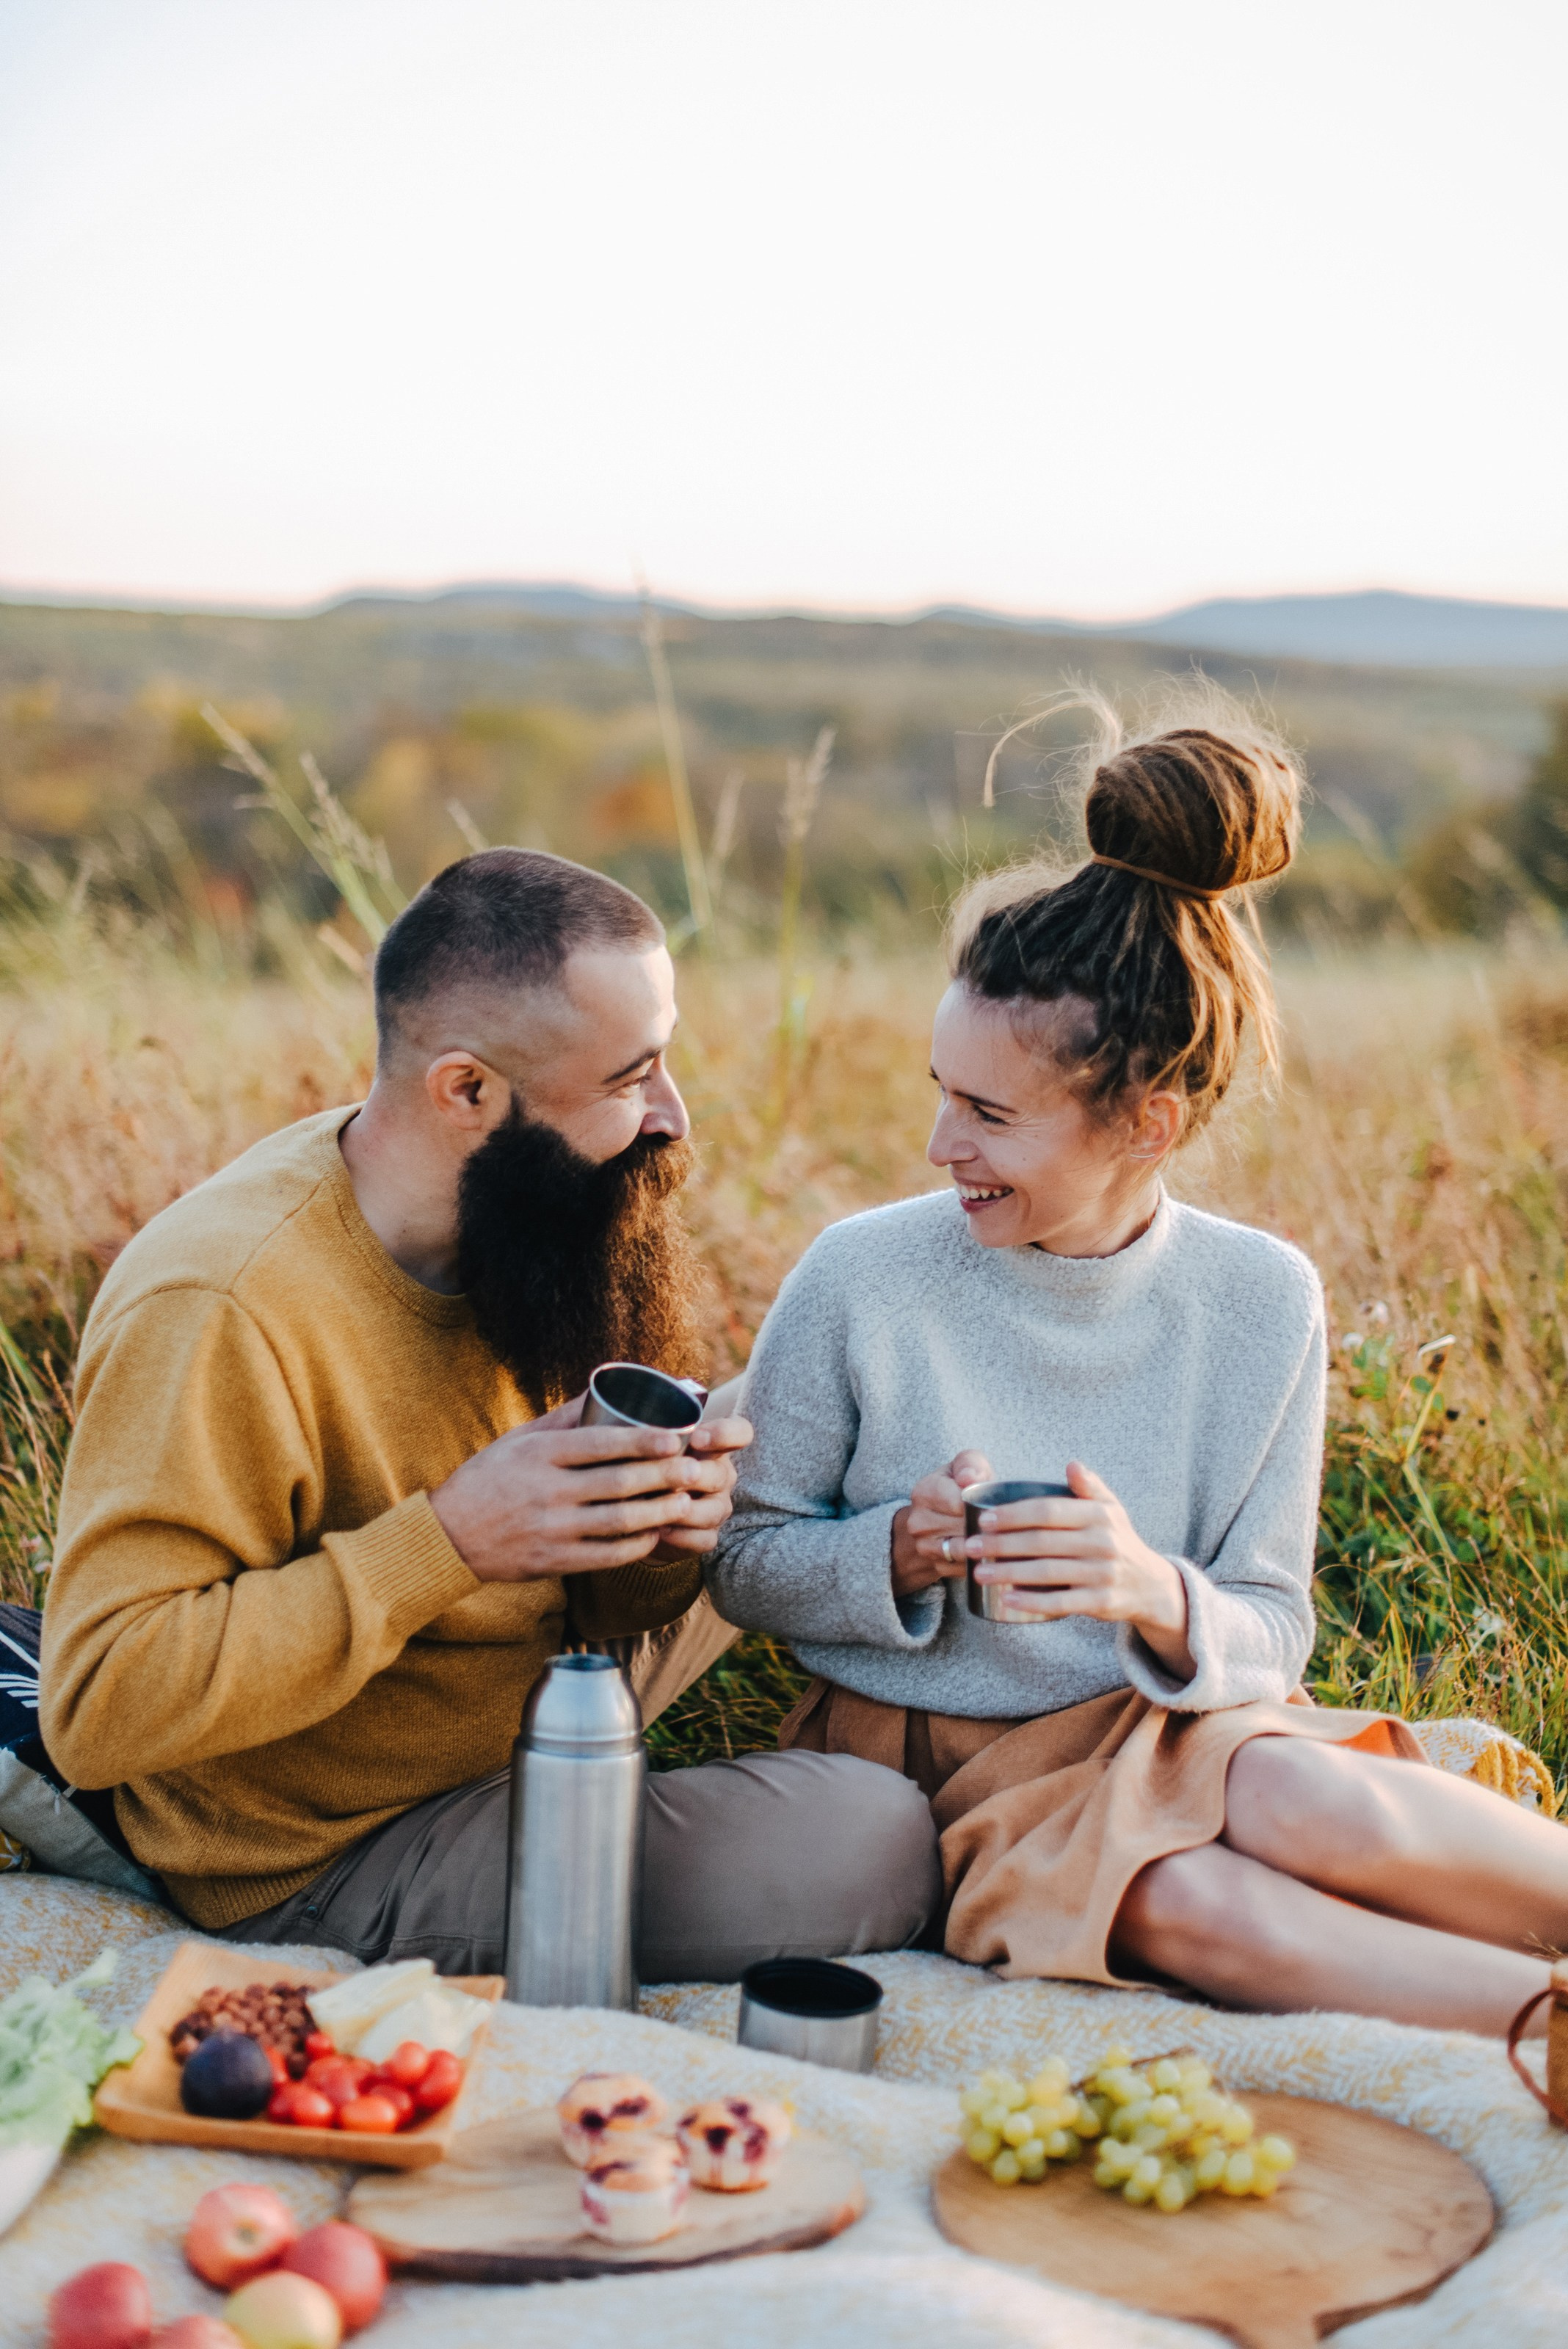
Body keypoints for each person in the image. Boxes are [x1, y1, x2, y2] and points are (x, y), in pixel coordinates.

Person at [710, 692, 1568, 2039]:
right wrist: (897, 1554)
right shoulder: (863, 1274)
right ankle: (1542, 2028)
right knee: (1187, 1912)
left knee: (1309, 1796)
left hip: (1168, 1722)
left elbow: (1272, 1625)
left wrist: (1151, 1589)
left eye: (990, 1114)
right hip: (947, 1768)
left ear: (1148, 1123)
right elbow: (744, 1559)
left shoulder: (1259, 1300)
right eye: (939, 1091)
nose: (942, 1145)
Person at [40, 849, 937, 1978]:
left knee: (818, 1388)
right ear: (465, 1091)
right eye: (630, 1078)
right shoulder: (223, 1307)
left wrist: (666, 1522)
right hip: (336, 1843)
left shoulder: (534, 1213)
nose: (673, 1116)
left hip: (539, 1688)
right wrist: (451, 1540)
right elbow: (100, 1706)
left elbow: (606, 1587)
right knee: (873, 1839)